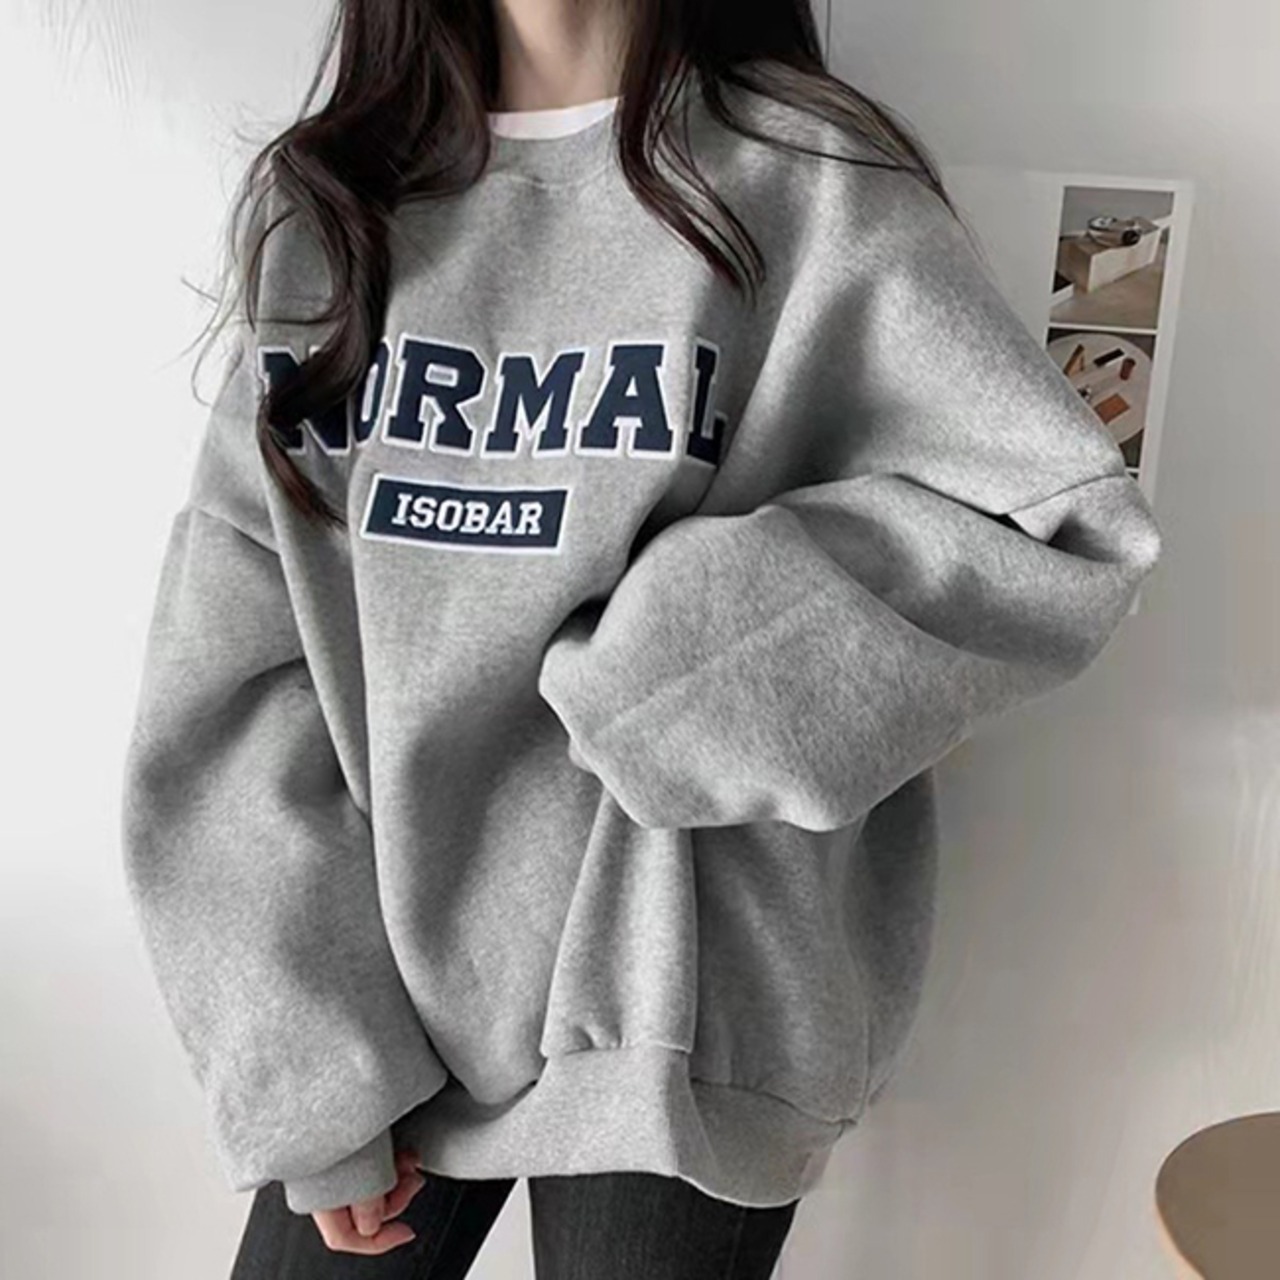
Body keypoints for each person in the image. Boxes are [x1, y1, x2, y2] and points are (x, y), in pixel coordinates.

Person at [118, 0, 1164, 1275]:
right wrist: (306, 1062)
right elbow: (236, 667)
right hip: (383, 980)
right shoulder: (335, 208)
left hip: (682, 987)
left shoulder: (812, 183)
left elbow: (1057, 525)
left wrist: (677, 674)